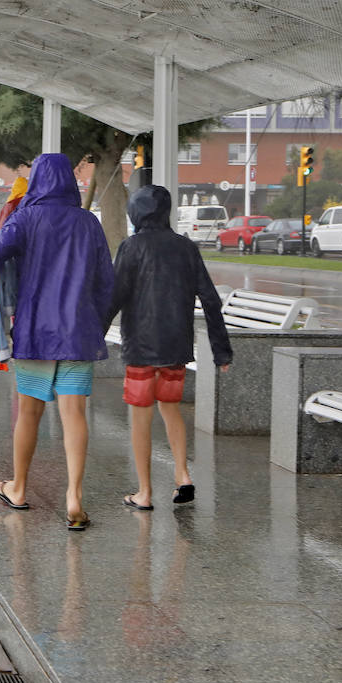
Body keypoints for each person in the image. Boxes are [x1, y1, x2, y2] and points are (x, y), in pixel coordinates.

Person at [0, 154, 115, 531]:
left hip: (36, 333)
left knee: (29, 413)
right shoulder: (88, 223)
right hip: (78, 334)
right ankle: (74, 497)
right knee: (75, 416)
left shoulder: (25, 219)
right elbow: (105, 283)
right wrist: (94, 323)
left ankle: (18, 488)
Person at [105, 185, 232, 511]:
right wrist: (221, 350)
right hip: (176, 346)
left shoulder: (131, 247)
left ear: (135, 212)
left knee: (141, 416)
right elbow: (210, 299)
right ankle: (183, 474)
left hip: (141, 350)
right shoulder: (186, 247)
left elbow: (114, 297)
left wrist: (93, 337)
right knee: (170, 408)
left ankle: (144, 493)